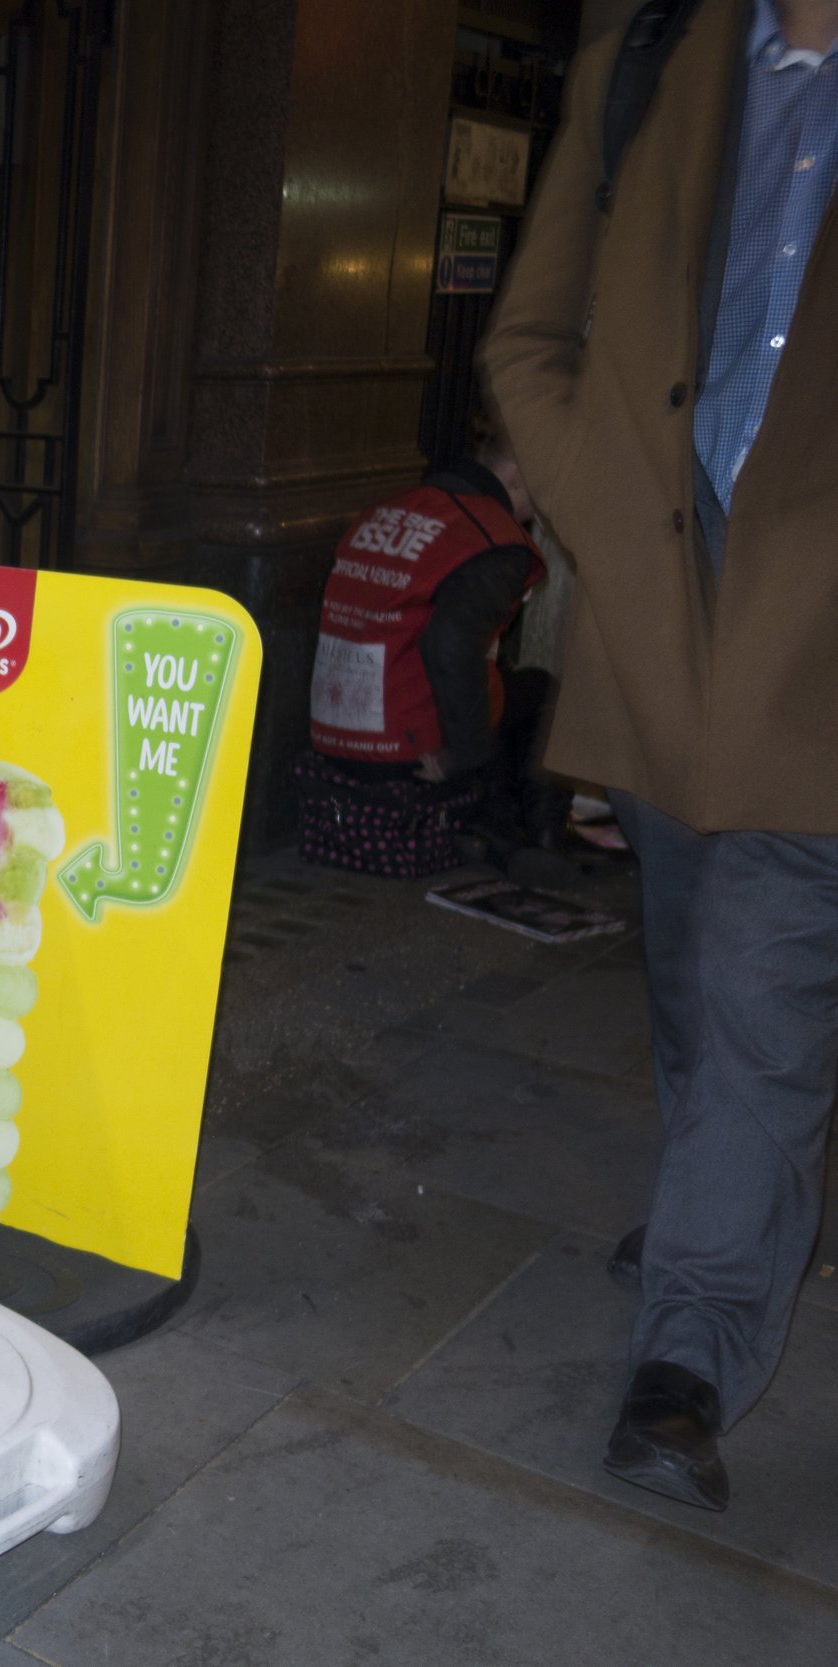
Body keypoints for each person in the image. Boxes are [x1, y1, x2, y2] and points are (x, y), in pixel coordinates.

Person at [480, 0, 838, 1513]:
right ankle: (724, 1200)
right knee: (697, 969)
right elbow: (532, 331)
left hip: (816, 655)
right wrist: (607, 519)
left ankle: (684, 1358)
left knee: (765, 991)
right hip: (653, 620)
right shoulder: (647, 53)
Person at [306, 439, 561, 864]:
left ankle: (494, 822)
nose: (540, 508)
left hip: (333, 737)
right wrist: (463, 754)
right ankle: (543, 844)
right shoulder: (490, 538)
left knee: (493, 686)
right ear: (517, 477)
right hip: (408, 754)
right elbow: (451, 648)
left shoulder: (387, 510)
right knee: (542, 693)